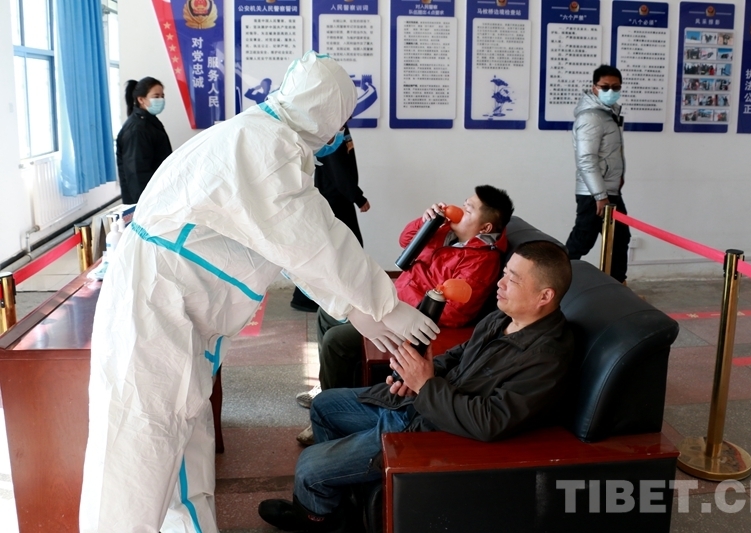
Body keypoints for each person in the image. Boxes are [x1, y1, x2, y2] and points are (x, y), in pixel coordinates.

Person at [79, 52, 439, 533]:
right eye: (340, 119)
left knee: (181, 450)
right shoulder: (264, 147)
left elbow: (290, 244)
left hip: (173, 309)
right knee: (138, 455)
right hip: (155, 311)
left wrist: (356, 307)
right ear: (325, 111)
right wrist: (385, 305)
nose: (339, 132)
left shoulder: (262, 136)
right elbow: (314, 239)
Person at [259, 240, 575, 532]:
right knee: (324, 406)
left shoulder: (547, 357)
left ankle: (319, 518)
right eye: (505, 273)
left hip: (437, 432)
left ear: (545, 296)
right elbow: (459, 354)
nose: (500, 283)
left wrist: (425, 385)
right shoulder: (503, 318)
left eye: (513, 280)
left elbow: (490, 420)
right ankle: (339, 500)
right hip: (423, 404)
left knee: (309, 468)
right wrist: (412, 375)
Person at [294, 185, 514, 445]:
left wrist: (404, 310)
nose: (458, 210)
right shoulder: (445, 232)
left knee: (336, 340)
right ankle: (328, 389)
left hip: (413, 321)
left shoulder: (482, 261)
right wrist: (426, 222)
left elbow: (456, 312)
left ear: (485, 227)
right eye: (464, 204)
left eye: (468, 210)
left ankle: (332, 415)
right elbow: (406, 241)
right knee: (327, 314)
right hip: (393, 303)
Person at [291, 123, 370, 313]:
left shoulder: (339, 127)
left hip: (337, 199)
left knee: (335, 249)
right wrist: (358, 197)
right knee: (342, 249)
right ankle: (308, 298)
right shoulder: (332, 129)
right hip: (334, 201)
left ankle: (315, 297)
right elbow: (337, 169)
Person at [565, 64, 631, 284]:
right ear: (594, 87)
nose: (611, 91)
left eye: (616, 87)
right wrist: (600, 195)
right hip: (594, 194)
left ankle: (617, 288)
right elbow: (586, 159)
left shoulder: (606, 114)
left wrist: (615, 181)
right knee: (582, 241)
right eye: (605, 87)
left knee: (619, 239)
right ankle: (554, 283)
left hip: (607, 191)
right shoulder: (591, 117)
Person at [116, 77, 173, 204]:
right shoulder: (137, 129)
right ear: (141, 99)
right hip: (145, 199)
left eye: (162, 96)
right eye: (156, 96)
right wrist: (145, 203)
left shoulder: (149, 122)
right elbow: (137, 172)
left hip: (157, 191)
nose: (161, 100)